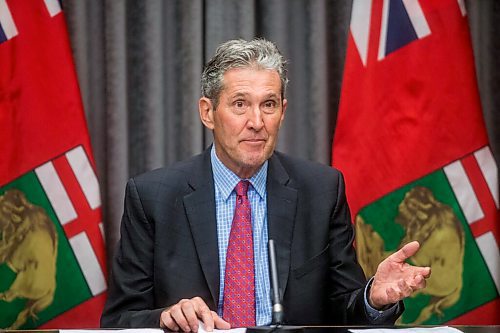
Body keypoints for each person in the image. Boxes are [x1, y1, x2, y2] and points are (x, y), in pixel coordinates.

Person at [100, 38, 431, 331]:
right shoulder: (153, 197)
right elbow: (119, 321)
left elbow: (341, 312)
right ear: (208, 112)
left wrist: (373, 299)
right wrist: (166, 317)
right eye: (240, 104)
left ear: (282, 112)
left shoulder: (321, 191)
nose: (256, 122)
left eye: (268, 104)